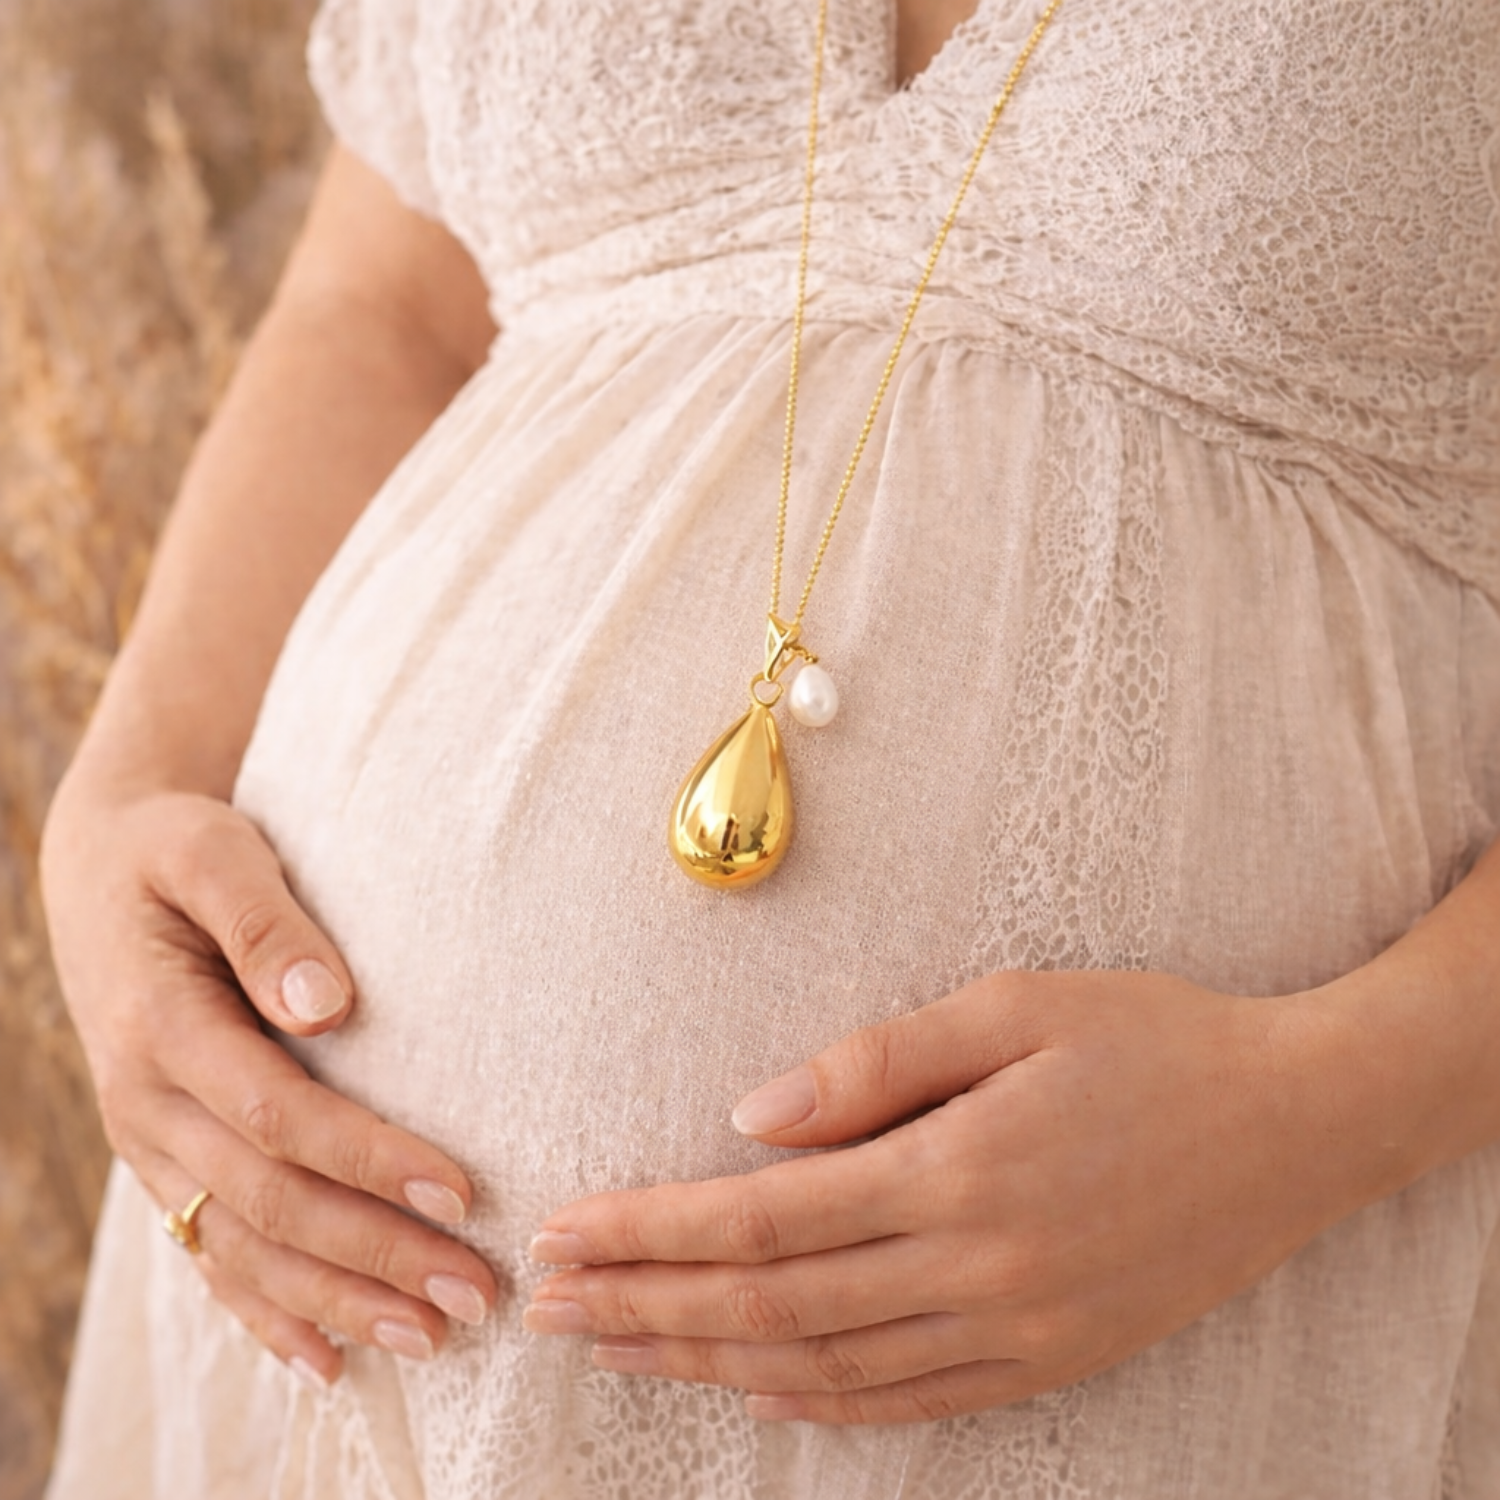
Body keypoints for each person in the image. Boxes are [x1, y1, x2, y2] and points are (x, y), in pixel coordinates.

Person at [39, 0, 1500, 1495]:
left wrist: (1322, 1103)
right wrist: (122, 794)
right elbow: (385, 307)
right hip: (338, 1320)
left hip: (1179, 1312)